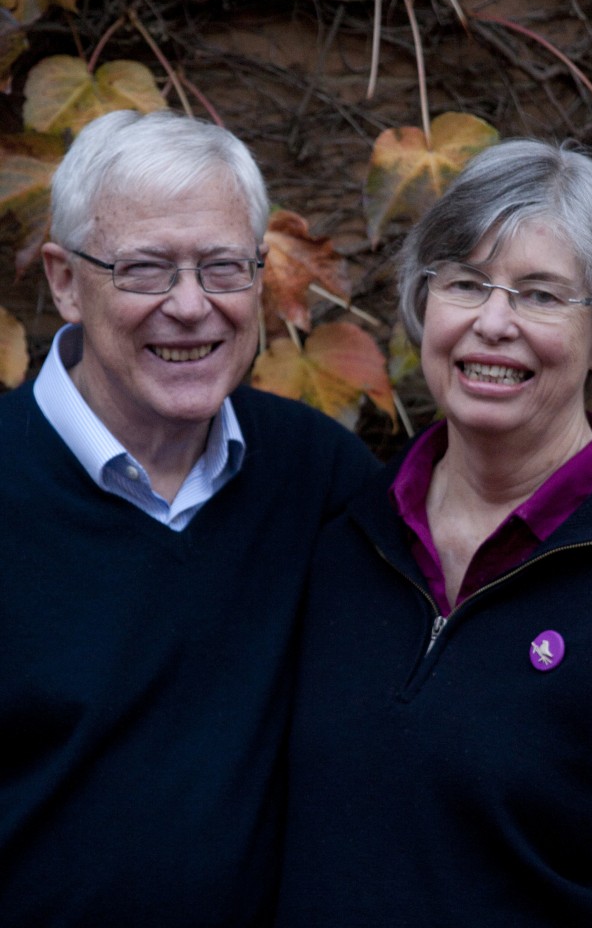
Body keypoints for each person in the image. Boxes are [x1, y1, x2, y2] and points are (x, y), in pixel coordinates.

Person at [276, 139, 592, 927]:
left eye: (539, 295)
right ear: (423, 304)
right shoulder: (341, 544)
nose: (493, 323)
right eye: (464, 283)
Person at [0, 108, 378, 927]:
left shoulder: (321, 480)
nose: (189, 306)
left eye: (222, 267)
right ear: (64, 280)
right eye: (144, 270)